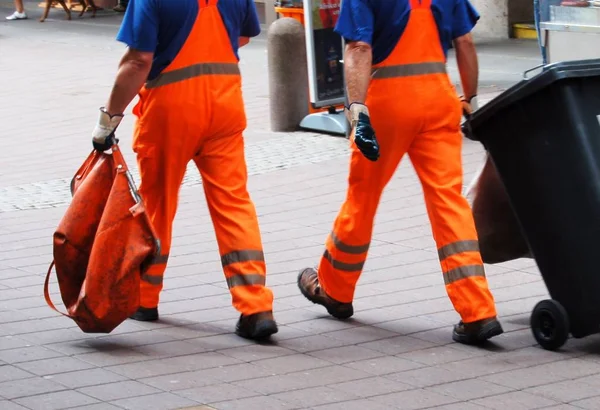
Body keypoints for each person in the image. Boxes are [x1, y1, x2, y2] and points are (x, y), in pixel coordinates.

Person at [297, 0, 504, 345]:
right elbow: (464, 41)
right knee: (448, 202)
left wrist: (357, 111)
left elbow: (359, 47)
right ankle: (477, 310)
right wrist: (470, 99)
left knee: (363, 198)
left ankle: (335, 289)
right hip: (438, 98)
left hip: (387, 104)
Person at [91, 0, 279, 341]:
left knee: (157, 203)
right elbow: (243, 38)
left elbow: (138, 60)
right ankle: (255, 307)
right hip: (225, 102)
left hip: (170, 107)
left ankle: (144, 297)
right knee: (233, 203)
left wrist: (109, 119)